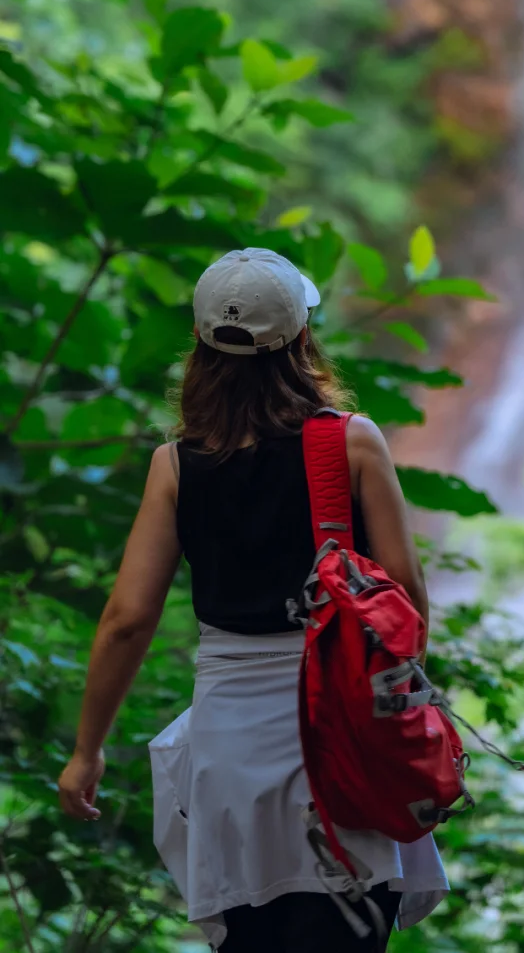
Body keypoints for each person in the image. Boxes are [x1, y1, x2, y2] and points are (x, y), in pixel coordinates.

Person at [57, 247, 449, 951]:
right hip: (343, 747)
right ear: (303, 339)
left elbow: (126, 620)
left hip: (230, 757)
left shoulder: (175, 464)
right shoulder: (353, 444)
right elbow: (405, 600)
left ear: (202, 348)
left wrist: (88, 750)